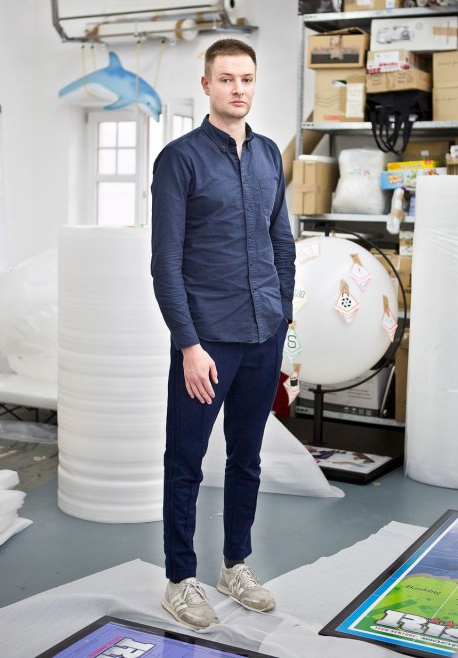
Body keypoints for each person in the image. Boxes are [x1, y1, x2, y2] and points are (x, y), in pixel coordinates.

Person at [151, 38, 296, 630]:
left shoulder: (267, 156)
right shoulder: (179, 160)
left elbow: (280, 241)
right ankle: (179, 579)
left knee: (248, 457)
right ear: (207, 85)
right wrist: (188, 345)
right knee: (186, 461)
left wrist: (283, 315)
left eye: (247, 78)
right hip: (206, 341)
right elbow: (166, 262)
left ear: (255, 84)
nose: (238, 88)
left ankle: (235, 565)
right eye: (227, 78)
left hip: (263, 333)